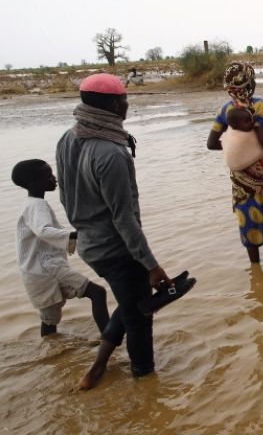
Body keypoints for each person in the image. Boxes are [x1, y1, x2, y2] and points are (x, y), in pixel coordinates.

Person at [56, 73, 173, 390]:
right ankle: (145, 384)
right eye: (123, 100)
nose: (126, 105)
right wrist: (150, 265)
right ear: (112, 104)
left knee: (129, 302)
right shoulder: (111, 153)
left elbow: (65, 196)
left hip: (90, 245)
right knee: (139, 318)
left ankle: (98, 367)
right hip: (118, 249)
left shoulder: (68, 139)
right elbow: (124, 219)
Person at [12, 159, 109, 337]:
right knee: (97, 293)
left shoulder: (32, 204)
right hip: (46, 269)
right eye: (48, 176)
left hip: (41, 270)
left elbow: (46, 232)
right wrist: (77, 235)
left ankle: (53, 352)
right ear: (34, 182)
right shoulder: (36, 205)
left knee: (50, 319)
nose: (54, 178)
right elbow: (44, 230)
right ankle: (111, 339)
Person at [206, 63, 263, 264]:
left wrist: (236, 148)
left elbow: (211, 143)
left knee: (247, 222)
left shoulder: (225, 109)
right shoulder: (258, 105)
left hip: (240, 180)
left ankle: (255, 269)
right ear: (250, 84)